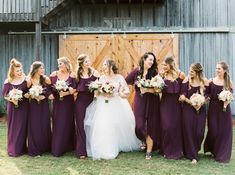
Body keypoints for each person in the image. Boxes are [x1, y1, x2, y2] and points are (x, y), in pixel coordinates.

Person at [84, 59, 140, 160]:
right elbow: (96, 92)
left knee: (117, 124)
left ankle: (118, 144)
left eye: (105, 64)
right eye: (103, 65)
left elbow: (126, 91)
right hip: (103, 104)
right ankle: (105, 147)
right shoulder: (101, 78)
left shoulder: (119, 77)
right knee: (104, 124)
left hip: (117, 103)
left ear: (111, 66)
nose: (103, 66)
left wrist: (120, 94)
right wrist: (103, 92)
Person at [125, 52, 160, 159]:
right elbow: (125, 81)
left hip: (153, 101)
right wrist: (124, 91)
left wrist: (148, 89)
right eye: (150, 59)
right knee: (139, 126)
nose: (151, 62)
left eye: (153, 60)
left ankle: (149, 151)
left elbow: (158, 89)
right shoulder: (136, 71)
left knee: (150, 126)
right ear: (144, 59)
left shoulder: (154, 73)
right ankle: (144, 139)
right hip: (140, 100)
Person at [204, 61, 233, 163]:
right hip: (213, 108)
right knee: (214, 130)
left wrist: (226, 101)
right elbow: (206, 93)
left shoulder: (228, 82)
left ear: (224, 70)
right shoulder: (211, 81)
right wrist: (205, 99)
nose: (217, 70)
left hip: (224, 110)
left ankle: (222, 153)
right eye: (216, 68)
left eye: (219, 69)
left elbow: (230, 96)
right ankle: (213, 150)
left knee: (224, 131)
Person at [179, 63, 208, 164]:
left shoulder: (204, 81)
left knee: (199, 133)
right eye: (189, 70)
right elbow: (182, 95)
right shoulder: (186, 81)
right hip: (188, 110)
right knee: (189, 131)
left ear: (198, 72)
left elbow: (208, 95)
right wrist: (191, 102)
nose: (189, 72)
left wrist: (201, 102)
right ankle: (193, 155)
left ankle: (193, 150)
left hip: (201, 110)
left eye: (192, 71)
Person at [50, 57, 76, 157]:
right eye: (58, 64)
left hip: (68, 103)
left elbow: (75, 88)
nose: (59, 66)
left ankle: (68, 146)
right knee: (58, 123)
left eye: (60, 63)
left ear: (66, 64)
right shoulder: (54, 75)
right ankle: (57, 147)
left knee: (68, 123)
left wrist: (67, 92)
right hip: (58, 103)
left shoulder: (72, 75)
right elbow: (50, 88)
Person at [160, 57, 185, 160]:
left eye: (165, 65)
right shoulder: (162, 75)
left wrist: (184, 95)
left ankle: (176, 150)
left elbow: (185, 89)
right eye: (163, 65)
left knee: (175, 127)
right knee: (166, 127)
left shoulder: (181, 75)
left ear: (170, 64)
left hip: (176, 104)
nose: (163, 67)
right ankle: (165, 149)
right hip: (165, 104)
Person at [74, 54, 99, 159]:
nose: (88, 63)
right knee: (80, 125)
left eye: (89, 61)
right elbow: (74, 88)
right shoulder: (77, 75)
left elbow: (100, 86)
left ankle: (92, 148)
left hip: (92, 102)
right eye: (86, 62)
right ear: (81, 64)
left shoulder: (95, 73)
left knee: (91, 125)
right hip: (80, 102)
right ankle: (81, 151)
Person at [2, 58, 28, 156]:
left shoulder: (25, 79)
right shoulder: (8, 81)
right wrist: (12, 99)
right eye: (17, 71)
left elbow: (29, 91)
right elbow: (5, 95)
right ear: (12, 71)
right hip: (12, 107)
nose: (20, 72)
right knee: (13, 127)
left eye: (21, 70)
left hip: (24, 107)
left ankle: (22, 148)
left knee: (22, 127)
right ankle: (13, 149)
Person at [26, 61, 52, 156]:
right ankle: (35, 149)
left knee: (44, 124)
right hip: (33, 106)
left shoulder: (46, 79)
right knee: (34, 126)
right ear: (35, 69)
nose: (43, 70)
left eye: (43, 68)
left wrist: (47, 96)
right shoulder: (29, 80)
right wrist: (34, 96)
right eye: (41, 68)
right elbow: (25, 94)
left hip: (44, 105)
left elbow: (49, 91)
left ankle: (45, 147)